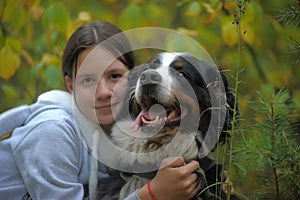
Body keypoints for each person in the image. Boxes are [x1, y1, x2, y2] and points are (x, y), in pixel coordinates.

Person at [0, 20, 201, 200]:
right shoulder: (51, 131)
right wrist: (150, 195)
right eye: (88, 80)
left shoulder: (116, 127)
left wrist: (205, 179)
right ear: (70, 85)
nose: (103, 92)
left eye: (114, 76)